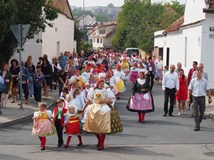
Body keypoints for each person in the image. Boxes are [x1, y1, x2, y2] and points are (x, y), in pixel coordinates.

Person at [83, 78, 122, 150]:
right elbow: (89, 99)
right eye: (100, 83)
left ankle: (102, 144)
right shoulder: (93, 90)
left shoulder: (107, 90)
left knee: (103, 128)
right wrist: (83, 109)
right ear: (97, 84)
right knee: (93, 126)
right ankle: (99, 140)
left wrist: (105, 101)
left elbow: (112, 99)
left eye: (102, 83)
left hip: (103, 108)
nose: (101, 85)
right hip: (94, 109)